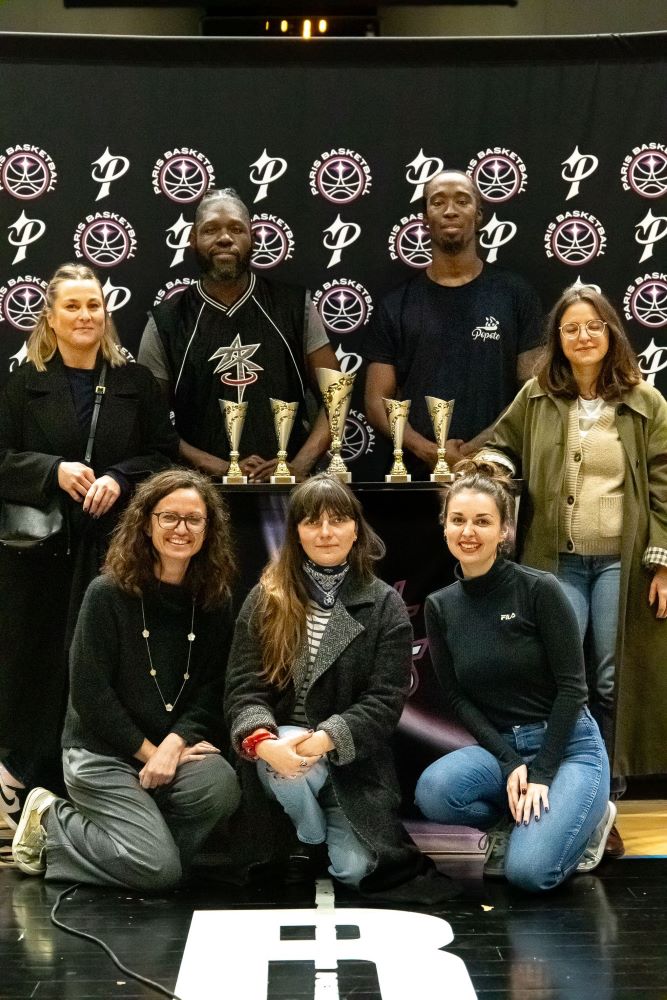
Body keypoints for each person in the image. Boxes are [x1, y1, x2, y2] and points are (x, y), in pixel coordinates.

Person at [479, 285, 667, 857]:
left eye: (593, 326)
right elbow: (503, 445)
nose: (582, 337)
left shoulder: (646, 401)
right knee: (563, 678)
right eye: (570, 329)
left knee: (610, 682)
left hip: (620, 562)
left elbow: (665, 486)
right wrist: (491, 463)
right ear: (556, 341)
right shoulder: (538, 395)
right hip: (554, 561)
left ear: (611, 333)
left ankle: (603, 804)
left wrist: (662, 562)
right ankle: (561, 793)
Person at [0, 264, 178, 831]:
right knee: (36, 665)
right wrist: (52, 470)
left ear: (107, 315)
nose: (85, 316)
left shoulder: (135, 384)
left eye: (94, 306)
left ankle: (100, 791)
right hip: (38, 558)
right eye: (72, 306)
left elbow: (163, 455)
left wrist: (120, 478)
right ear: (49, 317)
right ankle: (19, 787)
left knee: (107, 669)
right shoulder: (22, 384)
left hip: (115, 552)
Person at [224, 473, 456, 901]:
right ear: (296, 532)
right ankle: (308, 837)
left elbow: (385, 700)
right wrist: (263, 741)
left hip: (352, 763)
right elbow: (243, 687)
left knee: (355, 871)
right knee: (283, 755)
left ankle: (314, 835)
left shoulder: (384, 603)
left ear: (356, 530)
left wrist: (329, 738)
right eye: (312, 522)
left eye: (337, 520)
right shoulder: (266, 597)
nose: (326, 532)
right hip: (281, 751)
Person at [12, 468, 241, 890]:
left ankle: (145, 854)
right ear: (146, 523)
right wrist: (150, 753)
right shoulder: (107, 593)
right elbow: (90, 694)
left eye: (194, 519)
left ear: (209, 529)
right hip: (100, 752)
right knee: (159, 870)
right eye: (169, 517)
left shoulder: (215, 598)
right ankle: (53, 823)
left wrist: (173, 746)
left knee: (220, 783)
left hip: (166, 752)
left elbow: (212, 688)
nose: (181, 529)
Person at [415, 462, 613, 892]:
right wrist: (509, 763)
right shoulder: (440, 605)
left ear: (504, 530)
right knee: (434, 791)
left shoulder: (539, 590)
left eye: (483, 521)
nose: (469, 531)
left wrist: (541, 773)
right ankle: (525, 819)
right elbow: (458, 697)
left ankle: (586, 823)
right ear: (444, 527)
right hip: (503, 747)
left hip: (568, 746)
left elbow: (573, 690)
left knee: (528, 873)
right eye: (458, 520)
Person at [138, 187, 340, 483]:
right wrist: (223, 468)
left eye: (236, 228)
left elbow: (337, 396)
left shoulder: (295, 306)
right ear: (192, 240)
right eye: (210, 230)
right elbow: (151, 423)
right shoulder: (166, 321)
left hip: (290, 493)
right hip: (201, 494)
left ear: (252, 238)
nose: (224, 238)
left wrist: (298, 465)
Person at [363, 169, 543, 479]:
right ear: (425, 217)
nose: (450, 210)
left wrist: (478, 447)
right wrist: (428, 451)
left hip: (496, 471)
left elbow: (534, 391)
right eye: (438, 202)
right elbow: (376, 401)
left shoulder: (516, 295)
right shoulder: (397, 304)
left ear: (479, 216)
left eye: (462, 201)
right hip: (418, 476)